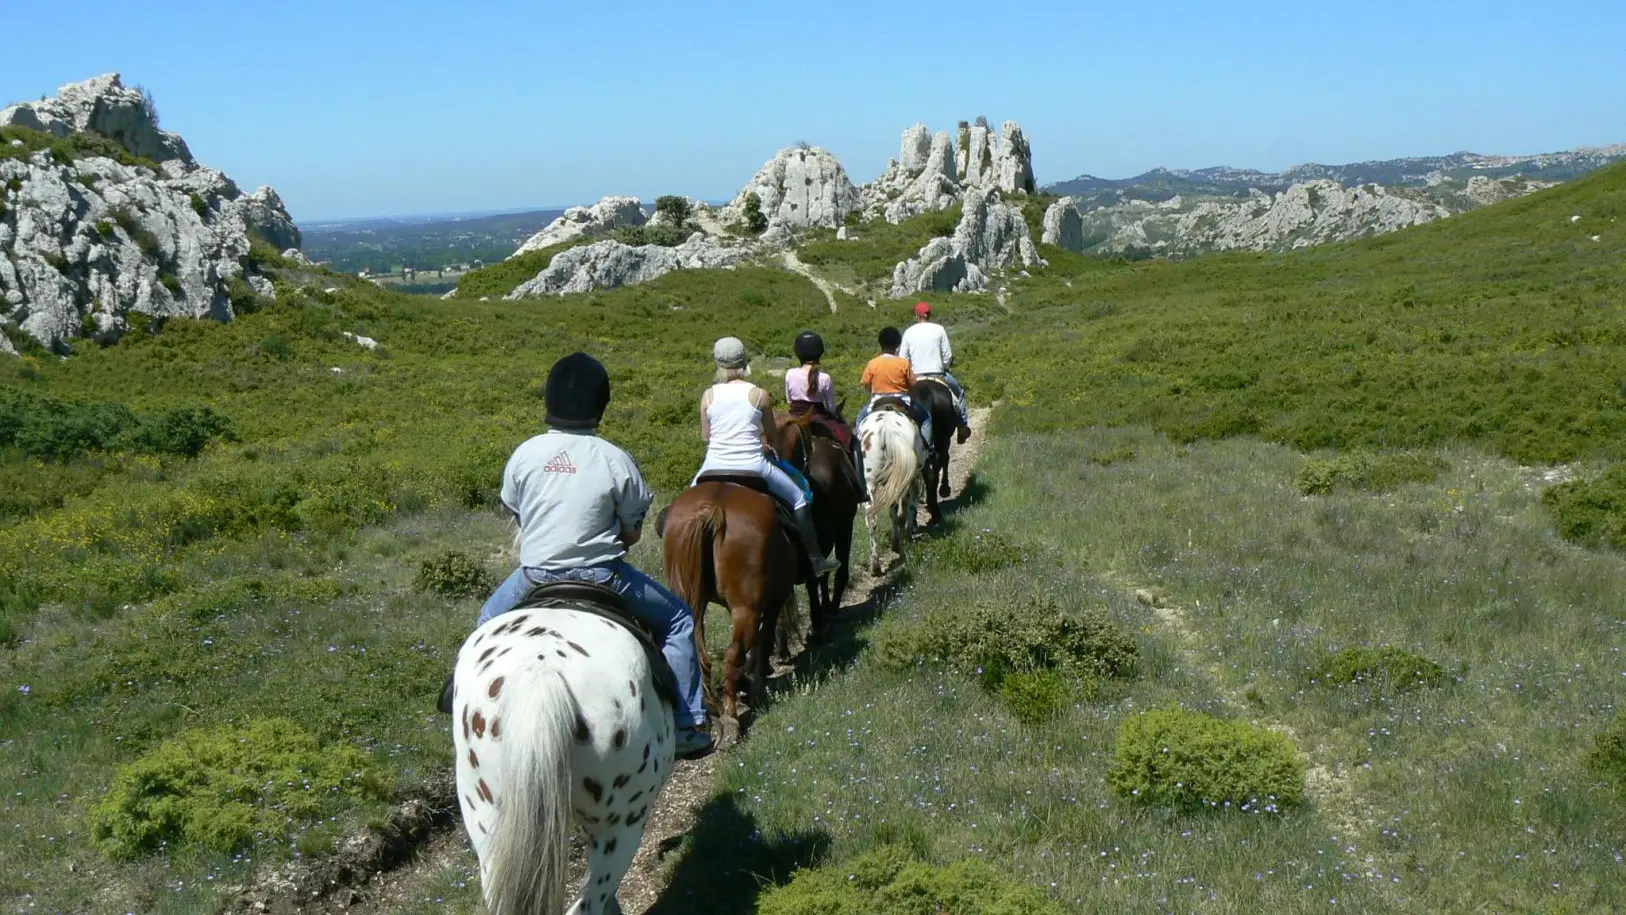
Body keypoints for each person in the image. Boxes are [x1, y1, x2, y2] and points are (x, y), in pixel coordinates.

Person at [473, 352, 713, 759]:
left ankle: (460, 700)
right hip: (604, 575)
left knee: (486, 624)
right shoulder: (615, 458)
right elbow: (632, 533)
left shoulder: (525, 453)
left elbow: (518, 513)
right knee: (678, 620)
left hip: (534, 575)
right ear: (601, 404)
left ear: (549, 400)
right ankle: (687, 724)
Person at [696, 337, 841, 576]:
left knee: (686, 503)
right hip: (753, 466)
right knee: (799, 498)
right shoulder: (759, 395)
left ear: (718, 363)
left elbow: (706, 437)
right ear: (744, 361)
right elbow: (773, 438)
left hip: (712, 465)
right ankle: (816, 560)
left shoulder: (707, 396)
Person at [783, 330, 867, 502]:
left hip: (795, 417)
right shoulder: (825, 378)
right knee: (853, 442)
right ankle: (861, 488)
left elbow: (789, 399)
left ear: (798, 353)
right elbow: (830, 407)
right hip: (820, 417)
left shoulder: (790, 374)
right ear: (819, 352)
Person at [900, 301, 971, 443]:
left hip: (916, 377)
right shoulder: (939, 329)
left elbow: (903, 359)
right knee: (959, 393)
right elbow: (947, 355)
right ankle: (962, 427)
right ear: (929, 314)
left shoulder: (909, 332)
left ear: (916, 315)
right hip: (938, 374)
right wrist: (944, 366)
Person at [854, 326, 933, 451]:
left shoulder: (872, 363)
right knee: (926, 418)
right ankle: (927, 450)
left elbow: (867, 385)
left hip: (877, 401)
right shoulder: (903, 363)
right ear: (897, 344)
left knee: (859, 419)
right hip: (901, 401)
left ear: (881, 343)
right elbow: (913, 385)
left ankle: (858, 451)